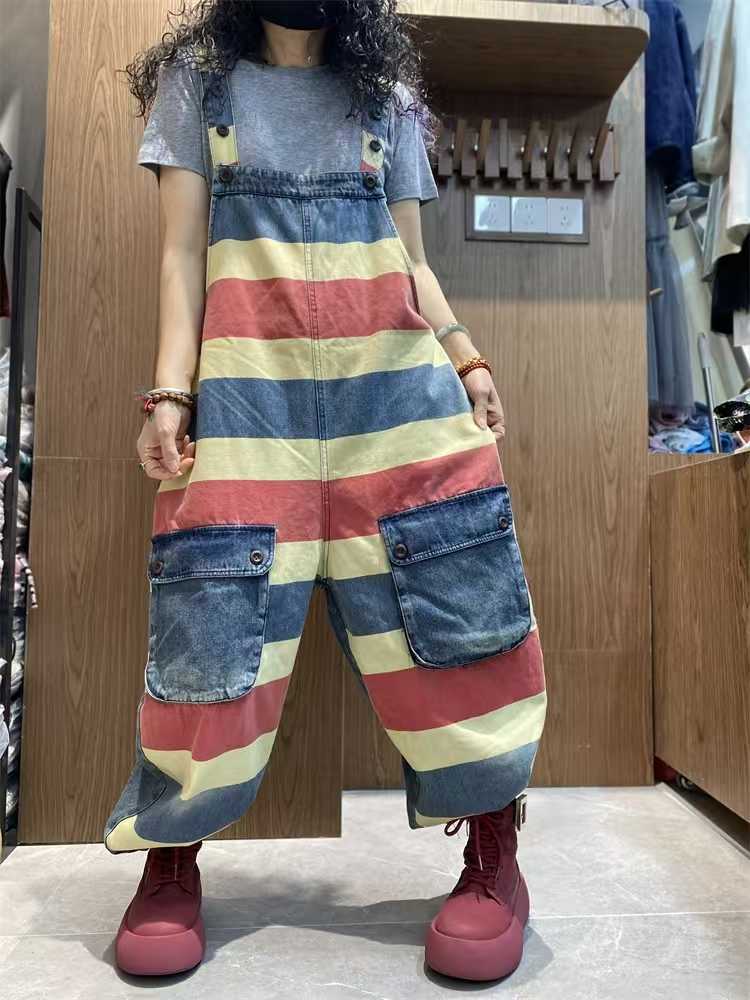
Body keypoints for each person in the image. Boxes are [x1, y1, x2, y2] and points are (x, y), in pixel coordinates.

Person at [104, 0, 547, 983]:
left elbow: (413, 261)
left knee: (454, 620)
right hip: (247, 401)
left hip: (394, 399)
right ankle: (171, 855)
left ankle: (493, 849)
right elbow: (179, 256)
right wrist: (171, 393)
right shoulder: (199, 88)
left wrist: (467, 359)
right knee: (210, 636)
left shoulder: (385, 96)